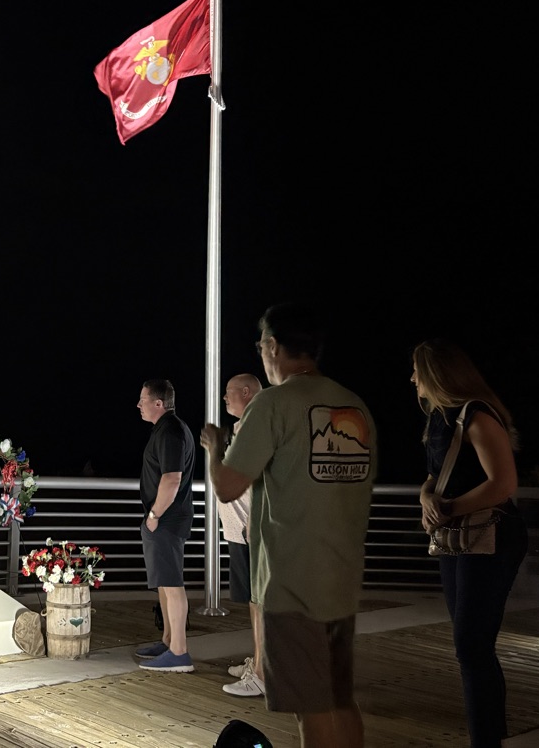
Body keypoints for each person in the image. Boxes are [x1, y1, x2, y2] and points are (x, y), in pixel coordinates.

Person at [199, 302, 375, 748]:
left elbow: (227, 486)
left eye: (261, 345)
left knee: (308, 708)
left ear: (274, 346)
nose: (261, 353)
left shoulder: (273, 404)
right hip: (340, 580)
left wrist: (214, 447)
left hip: (291, 585)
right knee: (339, 698)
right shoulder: (354, 405)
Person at [411, 338, 526, 748]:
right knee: (469, 645)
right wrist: (428, 498)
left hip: (490, 535)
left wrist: (449, 507)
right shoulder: (441, 419)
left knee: (472, 646)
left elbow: (504, 484)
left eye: (417, 372)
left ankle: (487, 738)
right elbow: (435, 477)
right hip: (459, 536)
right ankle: (486, 735)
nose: (412, 380)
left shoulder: (476, 416)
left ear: (436, 375)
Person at [133, 378, 197, 672]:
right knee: (164, 581)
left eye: (143, 400)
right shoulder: (168, 429)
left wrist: (154, 515)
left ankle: (180, 653)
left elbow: (172, 478)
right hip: (165, 517)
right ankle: (169, 640)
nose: (139, 405)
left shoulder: (170, 431)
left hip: (167, 518)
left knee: (172, 584)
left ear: (159, 404)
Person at [208, 373, 265, 698]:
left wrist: (215, 448)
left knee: (259, 603)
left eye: (229, 393)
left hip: (250, 530)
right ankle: (258, 662)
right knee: (254, 602)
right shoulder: (249, 427)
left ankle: (261, 673)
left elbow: (252, 478)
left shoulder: (254, 427)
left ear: (246, 392)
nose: (225, 398)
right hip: (244, 529)